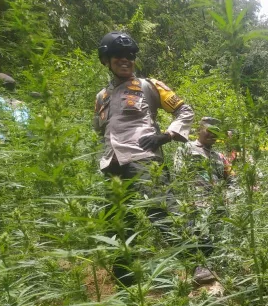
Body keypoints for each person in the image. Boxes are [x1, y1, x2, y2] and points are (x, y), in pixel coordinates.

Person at [93, 31, 194, 285]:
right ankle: (125, 280)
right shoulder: (101, 97)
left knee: (163, 212)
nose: (125, 60)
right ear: (106, 59)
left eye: (130, 56)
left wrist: (167, 136)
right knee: (117, 221)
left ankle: (197, 265)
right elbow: (101, 129)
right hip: (112, 164)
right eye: (118, 56)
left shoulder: (149, 86)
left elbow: (184, 110)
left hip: (143, 159)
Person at [174, 117, 232, 285]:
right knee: (199, 233)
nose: (212, 136)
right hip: (195, 200)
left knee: (220, 235)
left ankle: (217, 266)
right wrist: (187, 199)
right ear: (199, 130)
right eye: (209, 131)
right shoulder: (186, 148)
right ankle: (199, 269)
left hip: (216, 201)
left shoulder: (218, 156)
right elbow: (179, 175)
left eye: (216, 133)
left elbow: (226, 178)